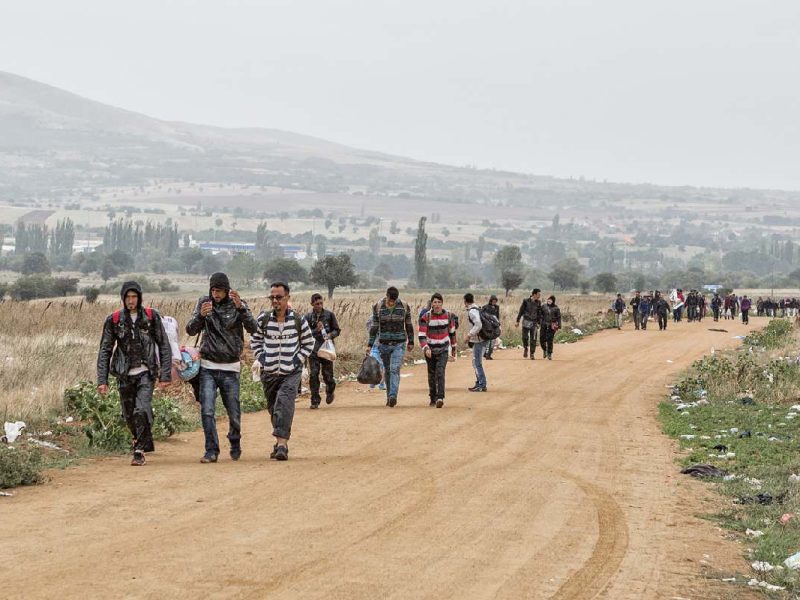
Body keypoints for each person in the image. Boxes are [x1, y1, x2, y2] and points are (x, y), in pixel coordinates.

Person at [97, 281, 172, 466]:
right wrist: (102, 380)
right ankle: (145, 439)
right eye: (128, 297)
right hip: (124, 374)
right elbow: (105, 350)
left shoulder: (151, 317)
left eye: (134, 297)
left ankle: (138, 451)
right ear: (123, 299)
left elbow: (164, 345)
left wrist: (165, 375)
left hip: (146, 372)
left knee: (141, 409)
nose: (131, 301)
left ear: (139, 298)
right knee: (129, 415)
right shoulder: (114, 320)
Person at [186, 272, 258, 464]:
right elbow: (190, 329)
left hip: (231, 367)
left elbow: (254, 328)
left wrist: (241, 308)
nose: (215, 294)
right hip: (208, 366)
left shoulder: (237, 303)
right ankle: (211, 450)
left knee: (233, 411)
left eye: (219, 290)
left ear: (227, 290)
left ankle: (235, 440)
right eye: (213, 290)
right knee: (207, 410)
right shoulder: (204, 303)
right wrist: (201, 316)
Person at [250, 282, 314, 461]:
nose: (275, 300)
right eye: (272, 297)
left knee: (284, 404)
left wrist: (297, 359)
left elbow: (309, 343)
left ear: (287, 298)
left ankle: (281, 445)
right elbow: (255, 340)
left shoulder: (298, 320)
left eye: (279, 297)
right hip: (269, 372)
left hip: (290, 372)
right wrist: (262, 357)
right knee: (274, 408)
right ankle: (279, 440)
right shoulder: (263, 319)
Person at [367, 286, 415, 407]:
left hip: (399, 343)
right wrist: (369, 344)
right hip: (383, 343)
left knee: (394, 369)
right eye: (390, 300)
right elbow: (374, 327)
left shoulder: (404, 306)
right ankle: (389, 396)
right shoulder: (378, 307)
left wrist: (411, 341)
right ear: (387, 296)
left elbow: (408, 324)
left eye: (394, 301)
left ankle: (393, 395)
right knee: (387, 370)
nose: (391, 303)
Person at [418, 293, 457, 407]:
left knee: (440, 372)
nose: (437, 304)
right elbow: (421, 335)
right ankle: (432, 397)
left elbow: (452, 333)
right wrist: (425, 347)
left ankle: (440, 397)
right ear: (431, 304)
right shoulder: (426, 317)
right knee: (431, 374)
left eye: (439, 302)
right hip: (430, 349)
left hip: (443, 349)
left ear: (442, 303)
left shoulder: (449, 316)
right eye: (435, 302)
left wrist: (454, 347)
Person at [304, 293, 341, 409]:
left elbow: (337, 330)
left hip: (326, 350)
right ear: (312, 304)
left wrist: (330, 335)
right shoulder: (308, 317)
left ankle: (330, 390)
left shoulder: (329, 315)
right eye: (316, 304)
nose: (319, 305)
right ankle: (315, 400)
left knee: (327, 375)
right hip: (314, 350)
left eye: (321, 303)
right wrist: (316, 330)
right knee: (314, 374)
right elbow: (306, 334)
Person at [464, 293, 488, 390]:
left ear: (465, 301)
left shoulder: (472, 311)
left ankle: (482, 385)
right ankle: (479, 383)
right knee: (476, 362)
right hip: (482, 339)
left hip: (479, 340)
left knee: (477, 362)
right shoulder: (478, 308)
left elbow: (478, 324)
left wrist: (469, 335)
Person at [515, 288, 542, 359]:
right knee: (525, 337)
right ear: (534, 294)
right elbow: (521, 311)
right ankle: (526, 348)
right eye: (538, 294)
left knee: (533, 338)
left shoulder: (538, 302)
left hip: (534, 322)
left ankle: (532, 353)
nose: (539, 296)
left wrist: (539, 322)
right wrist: (517, 321)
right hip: (526, 321)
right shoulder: (526, 301)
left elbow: (539, 313)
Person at [540, 295, 562, 360]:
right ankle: (544, 350)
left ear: (553, 301)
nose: (549, 301)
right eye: (548, 299)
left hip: (552, 326)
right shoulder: (543, 306)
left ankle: (549, 354)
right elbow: (540, 314)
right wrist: (540, 321)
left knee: (550, 339)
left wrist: (559, 325)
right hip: (544, 325)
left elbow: (559, 317)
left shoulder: (556, 308)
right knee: (542, 339)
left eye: (551, 300)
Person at [483, 295, 500, 359]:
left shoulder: (497, 307)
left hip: (495, 326)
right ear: (490, 301)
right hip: (487, 326)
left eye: (495, 301)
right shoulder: (485, 307)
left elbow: (497, 316)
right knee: (487, 340)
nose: (494, 302)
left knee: (493, 340)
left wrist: (498, 324)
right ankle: (485, 353)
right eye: (493, 301)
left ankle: (489, 354)